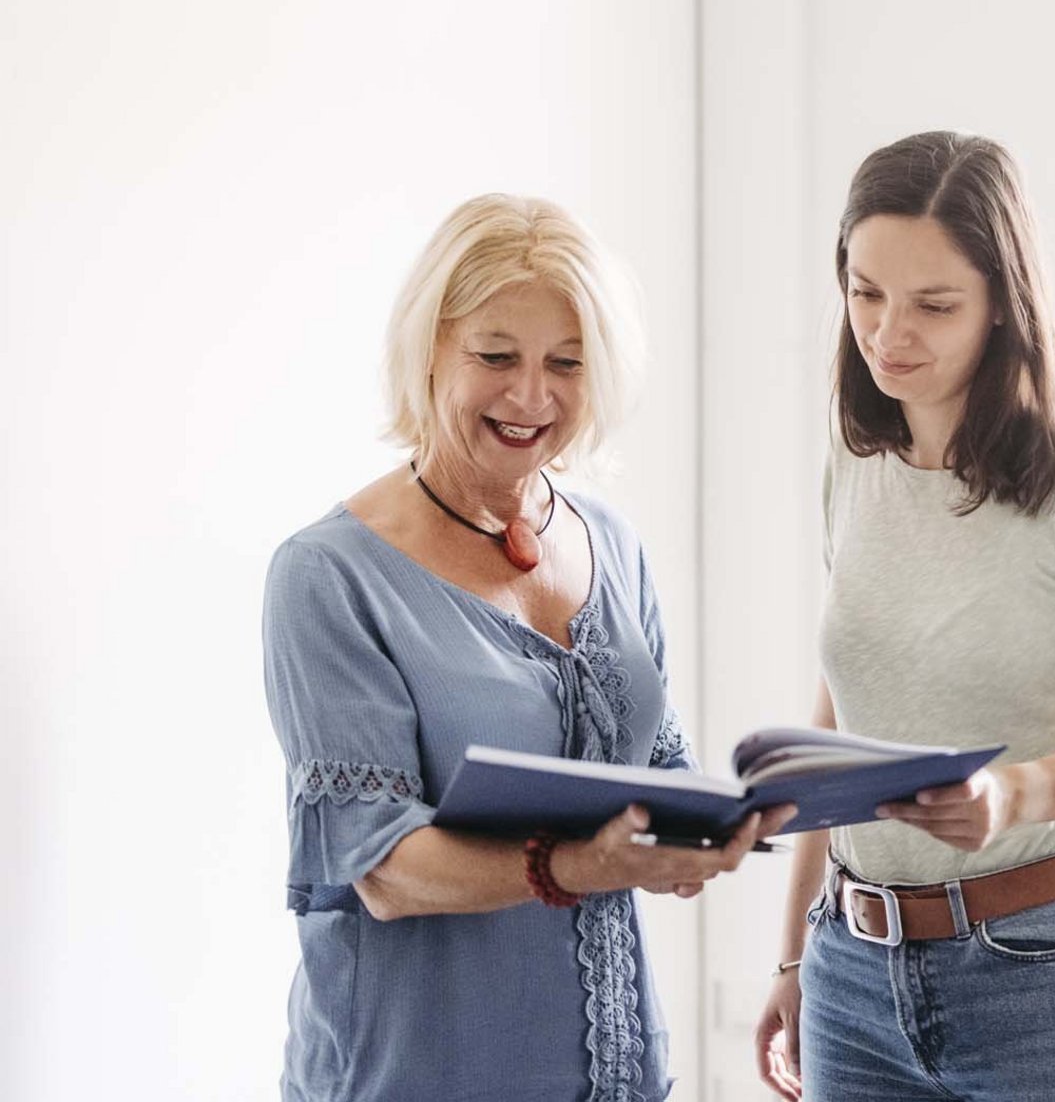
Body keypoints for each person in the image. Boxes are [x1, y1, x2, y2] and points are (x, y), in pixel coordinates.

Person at [264, 194, 790, 1102]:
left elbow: (655, 766)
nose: (531, 396)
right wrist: (582, 866)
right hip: (420, 1074)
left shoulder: (612, 544)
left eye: (566, 363)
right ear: (430, 349)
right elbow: (382, 870)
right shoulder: (328, 576)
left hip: (618, 1074)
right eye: (496, 356)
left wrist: (715, 827)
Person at [754, 132, 1055, 1101]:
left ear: (1003, 301)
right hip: (853, 973)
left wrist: (1017, 793)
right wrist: (797, 953)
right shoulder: (857, 460)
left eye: (933, 304)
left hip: (1045, 972)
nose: (887, 333)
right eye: (865, 291)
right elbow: (843, 709)